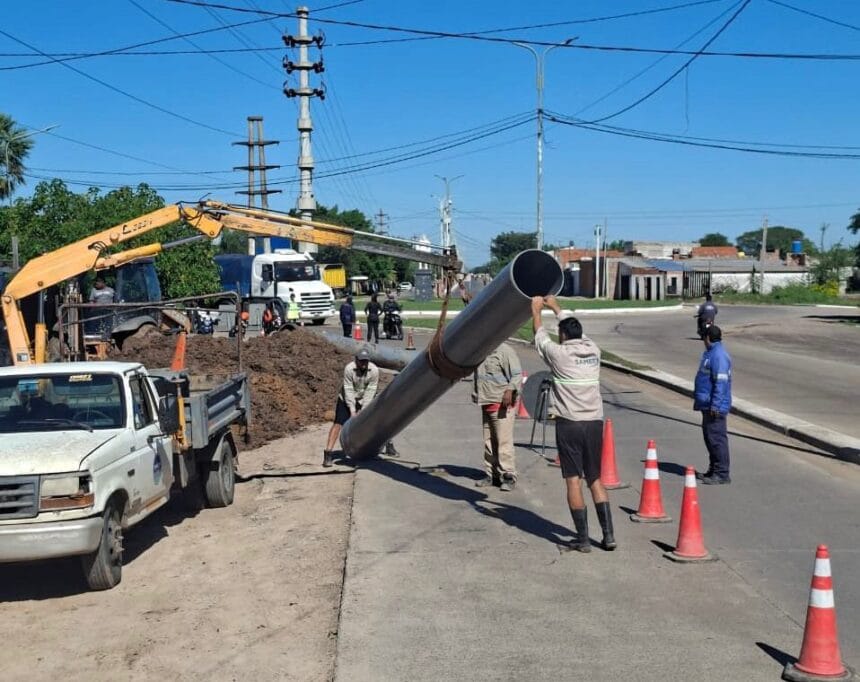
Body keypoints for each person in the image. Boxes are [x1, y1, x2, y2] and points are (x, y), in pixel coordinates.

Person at [532, 295, 616, 553]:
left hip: (569, 425)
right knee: (595, 479)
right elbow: (576, 332)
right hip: (593, 423)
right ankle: (609, 536)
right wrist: (556, 308)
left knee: (573, 481)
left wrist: (536, 310)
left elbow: (540, 336)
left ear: (563, 336)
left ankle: (582, 539)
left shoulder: (559, 355)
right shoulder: (594, 350)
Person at [472, 342, 522, 491]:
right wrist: (475, 393)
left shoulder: (505, 351)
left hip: (502, 404)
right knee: (489, 441)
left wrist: (510, 390)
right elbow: (479, 376)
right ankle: (491, 474)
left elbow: (517, 374)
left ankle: (508, 475)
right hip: (486, 401)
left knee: (503, 442)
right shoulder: (481, 352)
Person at [323, 348, 380, 467]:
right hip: (346, 398)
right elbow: (348, 389)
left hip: (363, 398)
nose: (364, 364)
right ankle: (328, 453)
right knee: (338, 423)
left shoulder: (374, 370)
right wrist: (352, 411)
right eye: (361, 361)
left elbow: (371, 391)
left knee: (371, 423)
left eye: (366, 361)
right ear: (356, 360)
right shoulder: (349, 369)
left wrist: (363, 410)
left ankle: (374, 447)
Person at [694, 325, 732, 484]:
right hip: (707, 404)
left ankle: (722, 474)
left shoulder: (718, 356)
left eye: (704, 338)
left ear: (708, 338)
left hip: (714, 407)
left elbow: (721, 383)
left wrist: (715, 405)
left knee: (717, 439)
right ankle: (713, 469)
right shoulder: (712, 353)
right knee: (710, 439)